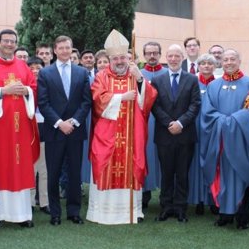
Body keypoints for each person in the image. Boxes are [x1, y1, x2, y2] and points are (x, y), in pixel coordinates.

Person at [86, 30, 157, 224]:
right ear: (110, 59)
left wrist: (140, 79)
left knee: (132, 165)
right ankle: (104, 213)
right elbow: (98, 100)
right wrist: (120, 98)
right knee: (105, 164)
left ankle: (131, 213)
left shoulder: (134, 74)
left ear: (128, 58)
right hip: (107, 133)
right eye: (115, 58)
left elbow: (149, 100)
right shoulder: (102, 76)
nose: (119, 61)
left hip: (131, 133)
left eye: (123, 58)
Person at [0, 29, 39, 228]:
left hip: (21, 129)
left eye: (13, 41)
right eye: (6, 41)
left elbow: (34, 87)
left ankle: (21, 215)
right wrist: (3, 91)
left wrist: (26, 91)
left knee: (20, 166)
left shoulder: (22, 66)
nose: (9, 44)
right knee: (0, 166)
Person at [200, 49, 249, 228]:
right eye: (226, 59)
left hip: (241, 141)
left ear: (239, 60)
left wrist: (233, 121)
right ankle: (224, 214)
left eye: (232, 59)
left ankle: (242, 217)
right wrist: (223, 121)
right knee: (222, 176)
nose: (228, 62)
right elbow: (207, 112)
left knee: (241, 176)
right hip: (219, 141)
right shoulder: (213, 86)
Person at [37, 36, 92, 225]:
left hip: (75, 131)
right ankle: (55, 213)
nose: (64, 51)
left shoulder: (82, 73)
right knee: (53, 173)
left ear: (71, 49)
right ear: (55, 50)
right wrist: (60, 123)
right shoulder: (45, 73)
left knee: (74, 172)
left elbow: (86, 102)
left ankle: (74, 211)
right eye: (61, 48)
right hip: (54, 131)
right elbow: (43, 103)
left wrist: (74, 122)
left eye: (68, 48)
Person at [151, 44, 201, 222]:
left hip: (185, 135)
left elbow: (195, 104)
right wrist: (168, 123)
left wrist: (180, 123)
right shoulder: (157, 79)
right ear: (166, 57)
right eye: (170, 56)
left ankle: (180, 208)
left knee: (182, 173)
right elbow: (154, 105)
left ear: (182, 58)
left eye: (176, 56)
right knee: (166, 173)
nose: (173, 59)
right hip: (164, 135)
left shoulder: (192, 79)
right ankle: (166, 207)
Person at [187, 54, 217, 215]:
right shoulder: (192, 82)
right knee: (195, 164)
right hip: (194, 127)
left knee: (211, 162)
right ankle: (197, 199)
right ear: (198, 66)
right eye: (203, 63)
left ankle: (212, 198)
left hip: (212, 130)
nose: (206, 66)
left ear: (215, 66)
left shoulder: (218, 84)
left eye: (210, 64)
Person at [140, 41, 167, 209]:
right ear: (144, 55)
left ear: (159, 54)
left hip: (164, 122)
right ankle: (144, 193)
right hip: (145, 121)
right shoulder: (138, 74)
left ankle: (166, 195)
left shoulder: (167, 74)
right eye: (148, 53)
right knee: (146, 155)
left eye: (155, 53)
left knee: (164, 159)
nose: (152, 56)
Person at [27, 56, 49, 214]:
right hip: (29, 133)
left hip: (46, 131)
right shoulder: (26, 87)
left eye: (38, 68)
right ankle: (29, 202)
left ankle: (44, 202)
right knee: (30, 170)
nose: (35, 71)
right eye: (31, 68)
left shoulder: (48, 85)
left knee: (44, 171)